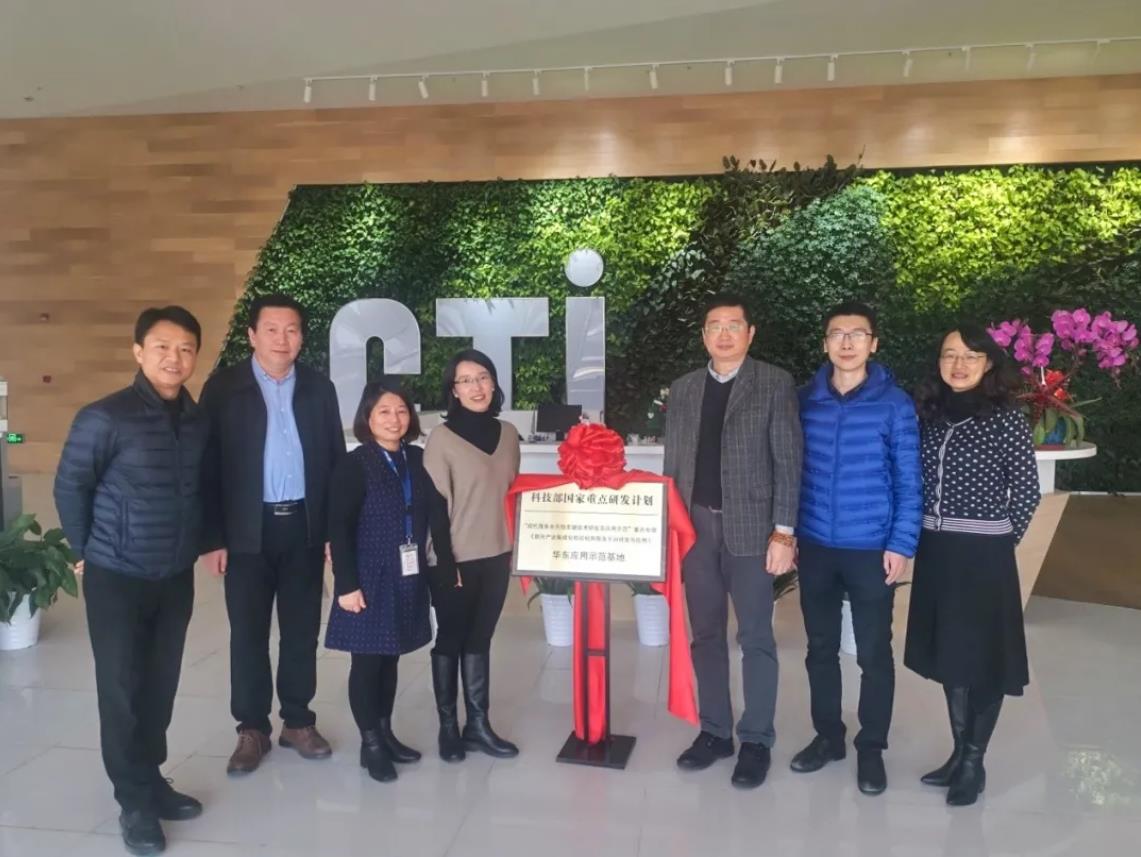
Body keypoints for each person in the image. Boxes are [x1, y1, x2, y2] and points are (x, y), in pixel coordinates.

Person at [55, 306, 209, 856]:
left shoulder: (197, 420)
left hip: (174, 575)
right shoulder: (105, 416)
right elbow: (71, 484)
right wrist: (82, 551)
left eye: (186, 348)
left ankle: (150, 777)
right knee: (121, 689)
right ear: (139, 352)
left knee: (160, 684)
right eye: (163, 347)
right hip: (117, 576)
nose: (174, 358)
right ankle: (133, 801)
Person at [199, 293, 345, 775]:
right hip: (246, 530)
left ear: (301, 337)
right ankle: (252, 727)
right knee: (248, 633)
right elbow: (207, 467)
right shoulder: (224, 388)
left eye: (292, 330)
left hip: (304, 526)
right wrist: (212, 538)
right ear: (252, 335)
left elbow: (334, 461)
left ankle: (298, 721)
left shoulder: (319, 388)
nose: (283, 339)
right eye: (272, 329)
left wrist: (334, 530)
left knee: (302, 630)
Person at [662, 293, 803, 789]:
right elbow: (673, 464)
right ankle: (715, 732)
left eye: (733, 325)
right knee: (705, 634)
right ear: (704, 335)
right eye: (714, 326)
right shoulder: (684, 389)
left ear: (750, 332)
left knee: (756, 637)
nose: (724, 334)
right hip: (696, 529)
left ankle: (757, 740)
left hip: (752, 529)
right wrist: (669, 529)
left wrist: (783, 532)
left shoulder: (773, 382)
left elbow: (789, 462)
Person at [905, 323, 1041, 807]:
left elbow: (1027, 491)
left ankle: (973, 762)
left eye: (970, 356)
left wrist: (999, 542)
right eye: (949, 355)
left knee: (983, 659)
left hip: (984, 556)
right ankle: (959, 752)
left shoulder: (1006, 419)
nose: (959, 365)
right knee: (951, 655)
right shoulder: (930, 414)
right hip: (937, 553)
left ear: (988, 364)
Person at [791, 301, 922, 795]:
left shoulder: (895, 404)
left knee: (873, 653)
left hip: (871, 548)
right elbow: (788, 471)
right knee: (820, 649)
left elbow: (909, 480)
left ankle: (871, 747)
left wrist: (901, 543)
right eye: (837, 334)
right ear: (825, 343)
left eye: (857, 334)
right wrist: (788, 533)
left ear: (874, 343)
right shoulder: (804, 400)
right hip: (815, 545)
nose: (846, 343)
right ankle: (828, 737)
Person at [325, 381, 432, 783]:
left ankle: (385, 734)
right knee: (367, 662)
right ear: (367, 418)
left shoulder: (416, 458)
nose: (394, 419)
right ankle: (370, 744)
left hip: (406, 574)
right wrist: (346, 585)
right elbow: (339, 528)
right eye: (384, 411)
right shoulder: (355, 465)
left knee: (391, 657)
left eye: (401, 410)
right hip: (367, 577)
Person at [423, 349, 521, 762]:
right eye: (465, 380)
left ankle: (477, 725)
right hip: (454, 559)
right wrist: (447, 565)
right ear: (454, 390)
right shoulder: (441, 439)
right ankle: (448, 727)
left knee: (480, 639)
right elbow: (434, 506)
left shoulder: (509, 434)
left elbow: (511, 494)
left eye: (483, 377)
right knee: (451, 639)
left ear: (494, 382)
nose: (476, 387)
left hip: (497, 553)